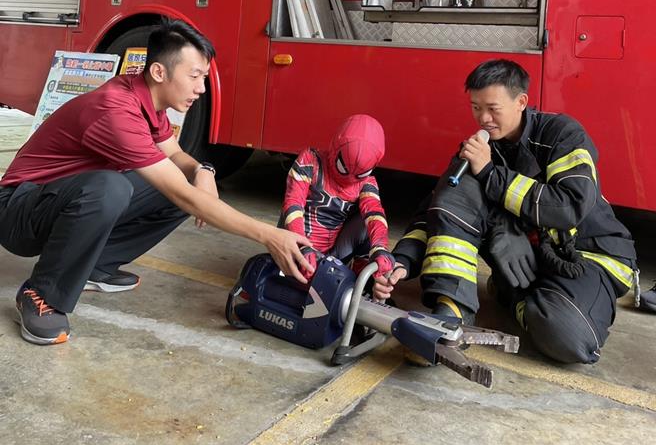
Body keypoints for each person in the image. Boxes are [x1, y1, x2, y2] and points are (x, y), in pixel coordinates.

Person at [0, 18, 311, 346]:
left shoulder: (147, 100)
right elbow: (182, 194)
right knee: (114, 188)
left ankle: (96, 265)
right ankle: (42, 294)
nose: (201, 89)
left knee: (177, 184)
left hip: (59, 200)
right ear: (160, 72)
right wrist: (269, 236)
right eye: (194, 76)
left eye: (204, 77)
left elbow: (178, 158)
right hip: (18, 209)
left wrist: (204, 171)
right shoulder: (116, 110)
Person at [375, 59, 637, 365]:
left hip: (590, 256)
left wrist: (490, 173)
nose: (483, 118)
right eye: (475, 107)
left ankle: (512, 294)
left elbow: (568, 206)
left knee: (567, 336)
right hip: (536, 253)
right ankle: (451, 313)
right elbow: (438, 208)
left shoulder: (562, 134)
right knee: (458, 185)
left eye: (492, 108)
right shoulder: (479, 149)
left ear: (521, 102)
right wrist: (403, 260)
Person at [281, 114, 394, 283]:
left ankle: (365, 283)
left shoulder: (367, 182)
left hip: (333, 254)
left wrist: (380, 249)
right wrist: (302, 246)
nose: (349, 179)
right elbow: (293, 203)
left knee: (368, 225)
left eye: (359, 173)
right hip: (295, 248)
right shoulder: (310, 161)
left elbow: (375, 214)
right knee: (290, 213)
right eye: (344, 168)